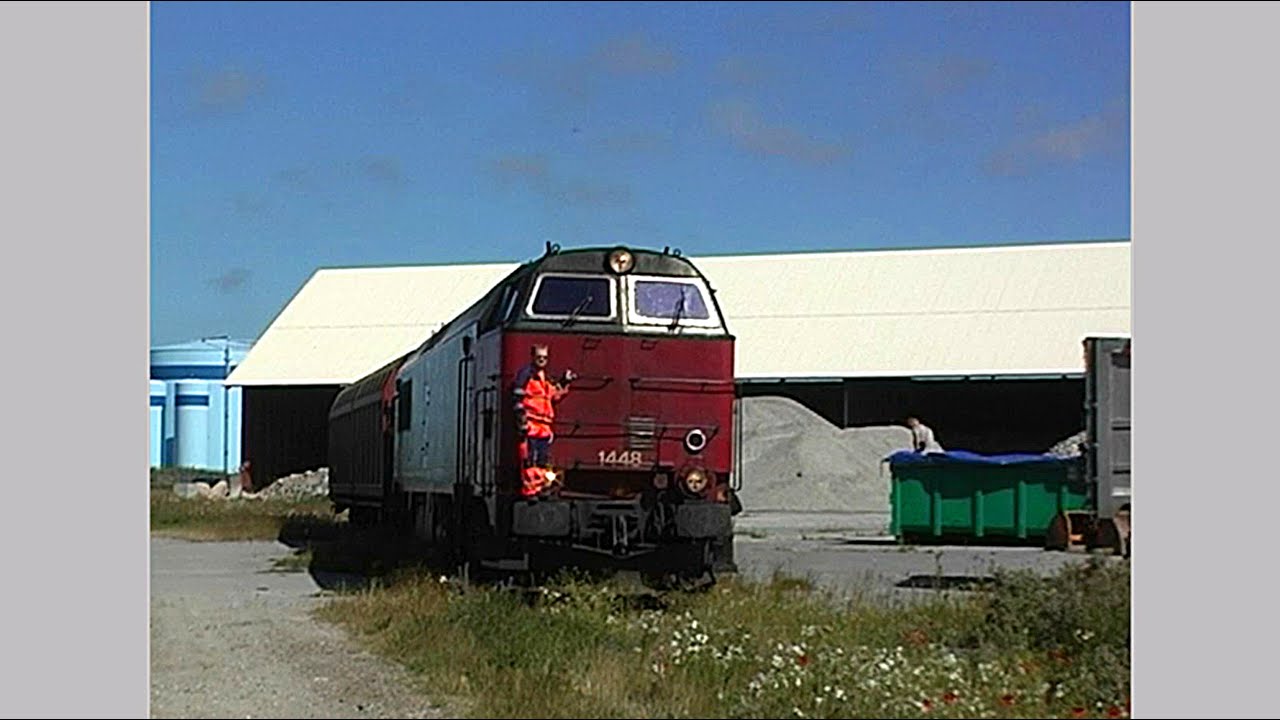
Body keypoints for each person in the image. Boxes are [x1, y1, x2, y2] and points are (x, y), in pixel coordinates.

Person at [513, 344, 575, 498]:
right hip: (531, 423)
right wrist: (521, 420)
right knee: (530, 460)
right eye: (539, 357)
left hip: (544, 426)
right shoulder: (526, 375)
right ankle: (530, 490)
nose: (542, 360)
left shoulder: (545, 378)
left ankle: (540, 488)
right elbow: (518, 397)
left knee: (542, 460)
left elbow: (553, 395)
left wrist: (565, 382)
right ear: (532, 356)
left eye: (545, 357)